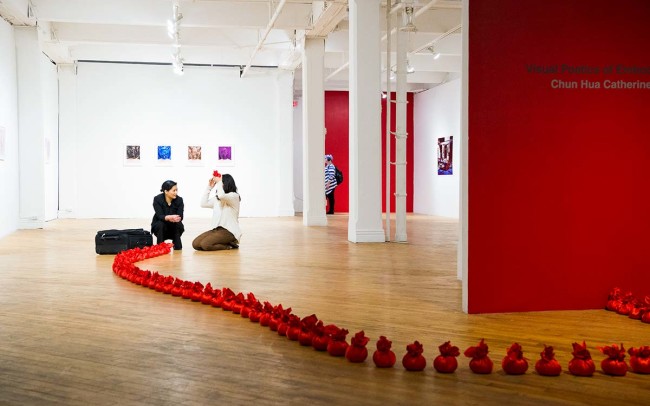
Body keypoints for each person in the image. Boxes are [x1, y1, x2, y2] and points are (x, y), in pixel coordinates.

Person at [192, 173, 242, 251]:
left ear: (226, 183)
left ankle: (229, 246)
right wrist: (209, 187)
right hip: (216, 229)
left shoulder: (234, 196)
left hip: (229, 231)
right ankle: (226, 242)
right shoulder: (217, 199)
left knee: (206, 245)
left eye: (221, 182)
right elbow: (203, 204)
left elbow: (222, 195)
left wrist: (218, 182)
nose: (219, 184)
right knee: (195, 244)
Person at [151, 180, 185, 250]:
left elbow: (180, 216)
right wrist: (169, 217)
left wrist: (176, 218)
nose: (176, 192)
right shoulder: (157, 199)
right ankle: (160, 246)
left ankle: (176, 244)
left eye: (176, 190)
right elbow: (159, 215)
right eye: (174, 190)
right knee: (161, 224)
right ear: (166, 191)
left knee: (178, 224)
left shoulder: (179, 200)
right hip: (160, 226)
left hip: (173, 225)